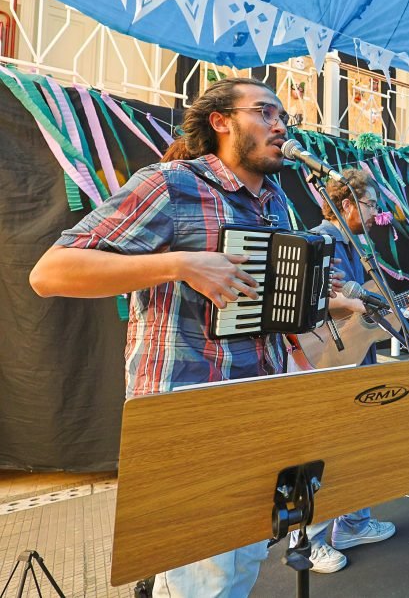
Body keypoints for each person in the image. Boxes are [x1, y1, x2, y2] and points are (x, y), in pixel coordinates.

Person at [29, 77, 303, 596]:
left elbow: (257, 303)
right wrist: (180, 263)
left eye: (283, 116)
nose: (280, 125)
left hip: (257, 402)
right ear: (221, 121)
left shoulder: (274, 202)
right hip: (188, 407)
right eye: (266, 112)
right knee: (208, 578)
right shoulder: (172, 184)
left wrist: (313, 298)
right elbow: (50, 272)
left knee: (237, 565)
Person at [286, 169, 409, 571]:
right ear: (346, 204)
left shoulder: (354, 247)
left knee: (357, 445)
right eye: (371, 204)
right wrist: (354, 306)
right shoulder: (321, 240)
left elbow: (360, 320)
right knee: (324, 451)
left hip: (354, 360)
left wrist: (399, 313)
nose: (377, 212)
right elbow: (305, 303)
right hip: (325, 362)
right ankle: (307, 542)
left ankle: (354, 523)